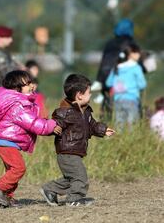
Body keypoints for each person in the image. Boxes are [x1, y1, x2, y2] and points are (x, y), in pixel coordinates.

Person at [40, 74, 115, 207]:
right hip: (67, 152)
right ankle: (74, 199)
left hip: (75, 151)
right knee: (80, 177)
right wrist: (51, 128)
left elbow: (92, 125)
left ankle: (50, 189)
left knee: (73, 178)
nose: (90, 95)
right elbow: (54, 124)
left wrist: (103, 130)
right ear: (80, 95)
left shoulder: (85, 111)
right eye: (89, 92)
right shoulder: (64, 112)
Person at [0, 70, 60, 208]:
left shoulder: (18, 101)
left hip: (7, 142)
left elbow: (35, 114)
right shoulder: (17, 105)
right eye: (27, 84)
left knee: (11, 172)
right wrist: (50, 126)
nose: (31, 86)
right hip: (7, 143)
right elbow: (32, 123)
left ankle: (5, 199)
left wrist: (32, 96)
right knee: (18, 169)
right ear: (17, 88)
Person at [92, 19, 140, 119]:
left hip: (105, 75)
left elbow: (104, 61)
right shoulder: (131, 44)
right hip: (122, 77)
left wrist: (99, 79)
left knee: (107, 102)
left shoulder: (110, 43)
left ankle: (105, 125)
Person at [105, 43, 146, 126]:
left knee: (119, 124)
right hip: (132, 99)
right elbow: (142, 85)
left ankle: (119, 139)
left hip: (118, 100)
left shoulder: (117, 67)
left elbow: (108, 83)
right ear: (131, 54)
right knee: (133, 125)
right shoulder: (136, 67)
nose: (139, 55)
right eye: (137, 52)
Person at [0, 25, 24, 93]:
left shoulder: (5, 53)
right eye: (8, 37)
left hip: (8, 91)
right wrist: (20, 70)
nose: (11, 40)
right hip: (0, 92)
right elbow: (6, 72)